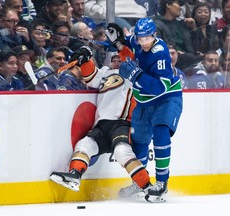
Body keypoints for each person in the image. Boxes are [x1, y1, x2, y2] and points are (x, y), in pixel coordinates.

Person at [49, 45, 152, 196]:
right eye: (114, 58)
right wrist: (85, 59)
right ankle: (75, 176)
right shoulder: (104, 73)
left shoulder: (133, 75)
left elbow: (133, 61)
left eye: (120, 58)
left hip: (121, 122)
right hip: (102, 125)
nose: (117, 60)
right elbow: (91, 77)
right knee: (84, 144)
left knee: (122, 151)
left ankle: (147, 187)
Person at [105, 17, 183, 202]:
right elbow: (128, 41)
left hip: (166, 99)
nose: (143, 42)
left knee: (161, 133)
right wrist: (117, 41)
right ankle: (141, 181)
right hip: (144, 102)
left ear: (154, 35)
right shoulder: (138, 42)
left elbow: (160, 87)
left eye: (147, 38)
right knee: (139, 141)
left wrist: (136, 75)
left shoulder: (160, 52)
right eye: (140, 38)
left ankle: (162, 183)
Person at [153, 0, 201, 70]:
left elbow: (195, 50)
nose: (181, 8)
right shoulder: (156, 25)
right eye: (178, 4)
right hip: (168, 67)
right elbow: (159, 51)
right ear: (168, 5)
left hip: (188, 66)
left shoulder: (182, 24)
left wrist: (194, 29)